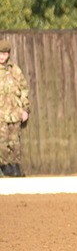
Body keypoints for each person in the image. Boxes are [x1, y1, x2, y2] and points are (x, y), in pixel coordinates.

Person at [0, 39, 30, 177]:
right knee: (2, 143)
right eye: (0, 53)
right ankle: (5, 168)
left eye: (4, 53)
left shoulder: (15, 70)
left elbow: (24, 90)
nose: (2, 56)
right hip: (1, 115)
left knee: (15, 143)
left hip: (15, 114)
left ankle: (15, 168)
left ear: (9, 54)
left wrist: (25, 109)